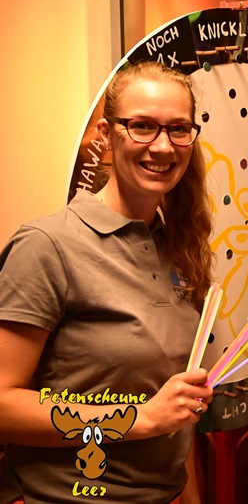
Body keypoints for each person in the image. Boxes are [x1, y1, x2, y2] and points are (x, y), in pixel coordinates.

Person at [0, 61, 215, 504]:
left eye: (178, 129)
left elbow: (175, 414)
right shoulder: (47, 245)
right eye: (142, 126)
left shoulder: (180, 247)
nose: (163, 146)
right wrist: (140, 418)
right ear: (106, 134)